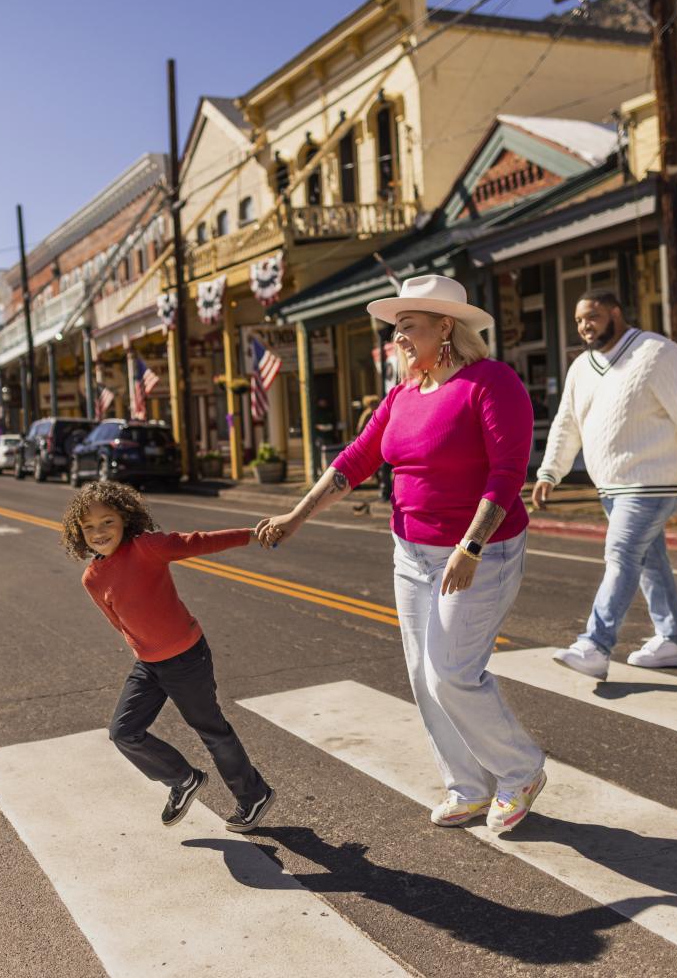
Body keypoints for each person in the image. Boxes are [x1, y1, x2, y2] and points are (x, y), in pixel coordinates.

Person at [256, 274, 546, 834]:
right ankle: (468, 786)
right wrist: (297, 515)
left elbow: (507, 472)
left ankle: (521, 770)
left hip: (478, 553)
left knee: (451, 674)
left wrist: (471, 544)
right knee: (421, 673)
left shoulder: (491, 382)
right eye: (396, 330)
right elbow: (356, 460)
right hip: (410, 553)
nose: (399, 339)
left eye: (408, 327)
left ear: (446, 326)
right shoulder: (402, 395)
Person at [533, 289, 677, 682]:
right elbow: (567, 423)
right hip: (611, 486)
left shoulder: (657, 353)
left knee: (621, 553)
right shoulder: (581, 368)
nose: (584, 326)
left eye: (592, 316)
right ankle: (672, 639)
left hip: (653, 481)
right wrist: (549, 472)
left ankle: (595, 644)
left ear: (616, 314)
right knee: (650, 562)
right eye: (578, 320)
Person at [62, 481, 275, 832]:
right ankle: (183, 779)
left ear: (125, 519)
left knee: (211, 731)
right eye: (89, 527)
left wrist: (252, 534)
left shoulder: (147, 547)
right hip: (148, 664)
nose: (99, 532)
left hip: (187, 657)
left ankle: (253, 795)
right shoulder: (93, 578)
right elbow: (119, 622)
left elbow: (200, 542)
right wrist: (147, 653)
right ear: (78, 533)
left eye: (107, 522)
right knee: (123, 732)